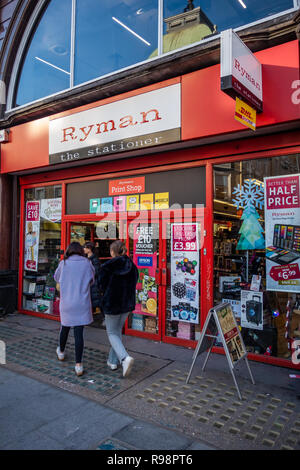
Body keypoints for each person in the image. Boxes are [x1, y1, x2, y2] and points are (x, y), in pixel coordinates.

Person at [98, 240, 138, 377]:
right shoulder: (132, 266)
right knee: (117, 332)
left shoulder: (107, 266)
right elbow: (135, 283)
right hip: (126, 304)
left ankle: (124, 358)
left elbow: (100, 285)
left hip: (112, 303)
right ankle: (112, 361)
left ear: (112, 252)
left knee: (112, 333)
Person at [54, 242, 95, 377]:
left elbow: (56, 278)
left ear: (69, 251)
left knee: (64, 327)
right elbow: (92, 280)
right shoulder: (87, 263)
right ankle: (78, 365)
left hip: (67, 302)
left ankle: (61, 351)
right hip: (81, 302)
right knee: (79, 333)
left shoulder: (63, 263)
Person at [83, 241, 104, 325]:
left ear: (89, 249)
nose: (83, 249)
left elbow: (95, 271)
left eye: (85, 247)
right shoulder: (85, 258)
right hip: (88, 284)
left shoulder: (94, 259)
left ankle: (104, 317)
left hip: (93, 284)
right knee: (91, 301)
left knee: (97, 301)